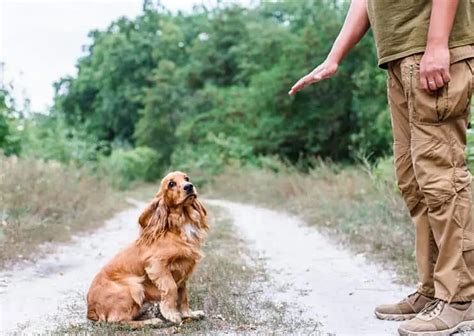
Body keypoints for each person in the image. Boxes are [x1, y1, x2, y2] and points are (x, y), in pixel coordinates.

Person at [289, 0, 474, 335]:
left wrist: (436, 44)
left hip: (430, 50)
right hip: (400, 57)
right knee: (414, 182)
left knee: (441, 178)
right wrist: (334, 57)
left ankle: (461, 298)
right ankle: (433, 288)